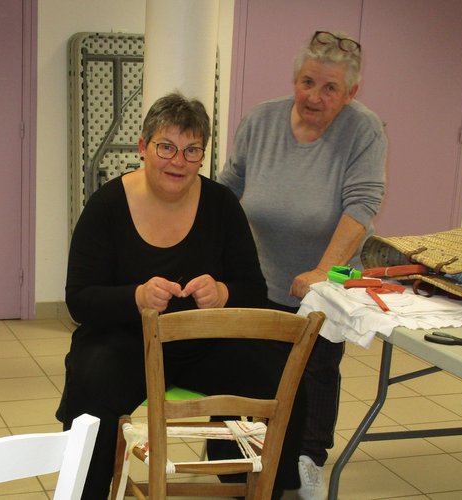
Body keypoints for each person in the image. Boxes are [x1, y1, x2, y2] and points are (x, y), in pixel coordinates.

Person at [56, 92, 305, 498]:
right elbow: (79, 299)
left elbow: (254, 290)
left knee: (283, 371)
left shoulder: (221, 204)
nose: (178, 161)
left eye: (192, 151)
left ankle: (272, 488)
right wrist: (135, 298)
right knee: (92, 380)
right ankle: (87, 490)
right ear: (142, 147)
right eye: (166, 147)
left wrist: (223, 292)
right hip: (125, 342)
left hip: (207, 344)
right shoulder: (107, 206)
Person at [219, 30, 387, 500]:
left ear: (350, 93)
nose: (315, 96)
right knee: (258, 367)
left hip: (328, 278)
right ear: (295, 79)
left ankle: (309, 461)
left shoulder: (363, 129)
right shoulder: (261, 121)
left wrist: (321, 273)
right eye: (308, 82)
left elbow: (362, 205)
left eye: (330, 88)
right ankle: (254, 455)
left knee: (315, 370)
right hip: (260, 272)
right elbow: (228, 189)